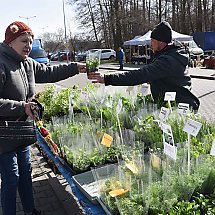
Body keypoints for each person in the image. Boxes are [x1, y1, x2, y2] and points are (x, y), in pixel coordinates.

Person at [0, 21, 86, 215]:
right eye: (24, 40)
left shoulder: (28, 63)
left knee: (25, 173)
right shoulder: (2, 63)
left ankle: (30, 210)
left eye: (30, 41)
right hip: (4, 134)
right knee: (11, 178)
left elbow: (49, 72)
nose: (28, 45)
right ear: (10, 41)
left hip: (23, 131)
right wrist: (23, 107)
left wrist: (76, 68)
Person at [88, 21, 200, 111]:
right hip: (170, 106)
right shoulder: (168, 53)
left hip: (179, 108)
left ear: (160, 42)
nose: (150, 44)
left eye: (152, 41)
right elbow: (162, 75)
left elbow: (141, 74)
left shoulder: (169, 59)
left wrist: (107, 78)